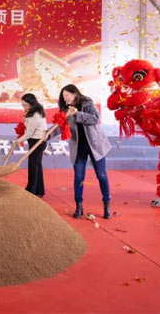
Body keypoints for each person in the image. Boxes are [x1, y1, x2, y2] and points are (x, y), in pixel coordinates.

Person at [53, 84, 113, 219]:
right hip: (78, 146)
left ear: (74, 94)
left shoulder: (87, 103)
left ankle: (107, 204)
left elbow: (95, 119)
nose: (65, 98)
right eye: (63, 96)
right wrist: (47, 135)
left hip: (95, 144)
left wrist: (77, 113)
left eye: (66, 95)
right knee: (79, 177)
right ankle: (79, 206)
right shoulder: (65, 110)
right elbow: (60, 127)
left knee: (101, 175)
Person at [13, 93, 47, 197]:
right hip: (38, 141)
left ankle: (31, 190)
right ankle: (39, 190)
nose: (24, 107)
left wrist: (18, 141)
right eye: (23, 105)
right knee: (37, 165)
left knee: (33, 165)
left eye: (26, 105)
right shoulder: (35, 111)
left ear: (32, 103)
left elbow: (29, 133)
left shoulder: (34, 115)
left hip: (37, 142)